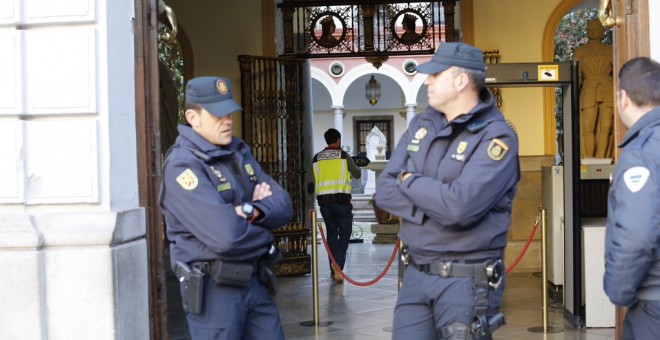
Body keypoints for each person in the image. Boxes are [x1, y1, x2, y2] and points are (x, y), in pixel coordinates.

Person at [376, 42, 520, 339]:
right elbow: (385, 190)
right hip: (415, 274)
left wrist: (410, 181)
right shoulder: (422, 124)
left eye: (435, 75)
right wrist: (436, 206)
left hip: (466, 281)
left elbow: (460, 207)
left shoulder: (496, 136)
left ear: (461, 80)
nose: (427, 80)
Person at [159, 76, 293, 339]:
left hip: (256, 283)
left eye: (229, 112)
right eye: (218, 114)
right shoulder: (183, 166)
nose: (227, 119)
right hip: (215, 293)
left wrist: (248, 211)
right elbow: (227, 237)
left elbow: (284, 205)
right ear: (192, 117)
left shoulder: (239, 152)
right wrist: (266, 235)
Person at [604, 57, 660, 339]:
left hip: (653, 306)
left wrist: (618, 291)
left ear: (623, 98)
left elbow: (636, 236)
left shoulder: (641, 152)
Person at [312, 128, 361, 283]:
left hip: (325, 203)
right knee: (345, 233)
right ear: (338, 140)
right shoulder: (343, 155)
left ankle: (334, 272)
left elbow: (312, 180)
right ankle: (338, 265)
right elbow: (357, 174)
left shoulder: (317, 158)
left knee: (332, 234)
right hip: (341, 201)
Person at [573, 19, 614, 159]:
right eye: (589, 28)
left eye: (595, 28)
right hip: (588, 89)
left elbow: (618, 71)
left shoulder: (610, 50)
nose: (592, 30)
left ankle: (602, 159)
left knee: (607, 127)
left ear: (601, 31)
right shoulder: (580, 51)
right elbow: (576, 75)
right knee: (588, 127)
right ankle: (589, 159)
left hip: (607, 88)